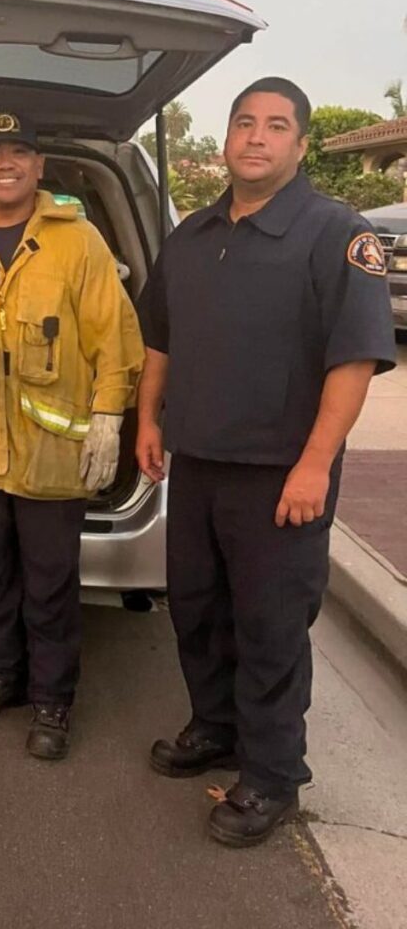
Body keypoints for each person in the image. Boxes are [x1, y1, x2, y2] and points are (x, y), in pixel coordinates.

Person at [136, 77, 396, 846]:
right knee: (197, 608)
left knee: (271, 627)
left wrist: (316, 465)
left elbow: (353, 361)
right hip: (199, 466)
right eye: (244, 123)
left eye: (275, 125)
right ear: (226, 141)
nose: (256, 136)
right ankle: (214, 728)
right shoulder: (191, 234)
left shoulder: (334, 233)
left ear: (301, 144)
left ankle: (274, 777)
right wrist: (148, 418)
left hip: (281, 476)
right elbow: (161, 338)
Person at [0, 112, 144, 760]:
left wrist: (109, 417)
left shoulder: (80, 243)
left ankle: (53, 701)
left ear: (40, 167)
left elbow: (114, 339)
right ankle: (1, 678)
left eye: (18, 152)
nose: (4, 163)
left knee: (49, 581)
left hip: (50, 452)